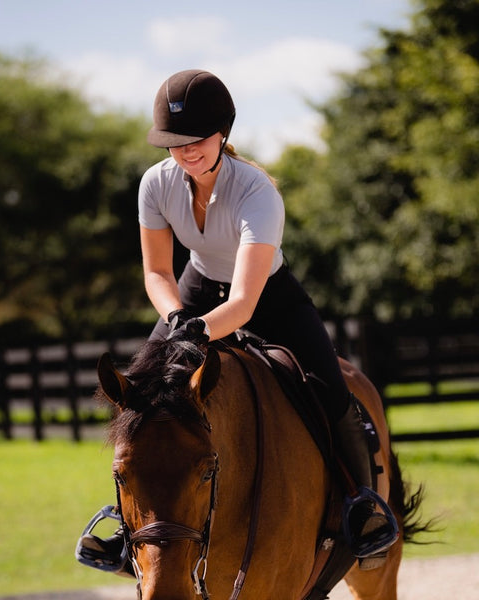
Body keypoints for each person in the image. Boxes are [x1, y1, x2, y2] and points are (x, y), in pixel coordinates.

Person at [77, 69, 398, 572]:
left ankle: (362, 506)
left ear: (223, 132)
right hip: (195, 290)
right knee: (140, 391)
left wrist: (200, 330)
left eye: (197, 140)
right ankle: (126, 527)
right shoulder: (154, 185)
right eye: (174, 142)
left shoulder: (257, 193)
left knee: (330, 388)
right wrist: (179, 316)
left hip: (269, 296)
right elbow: (158, 272)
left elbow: (246, 301)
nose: (186, 151)